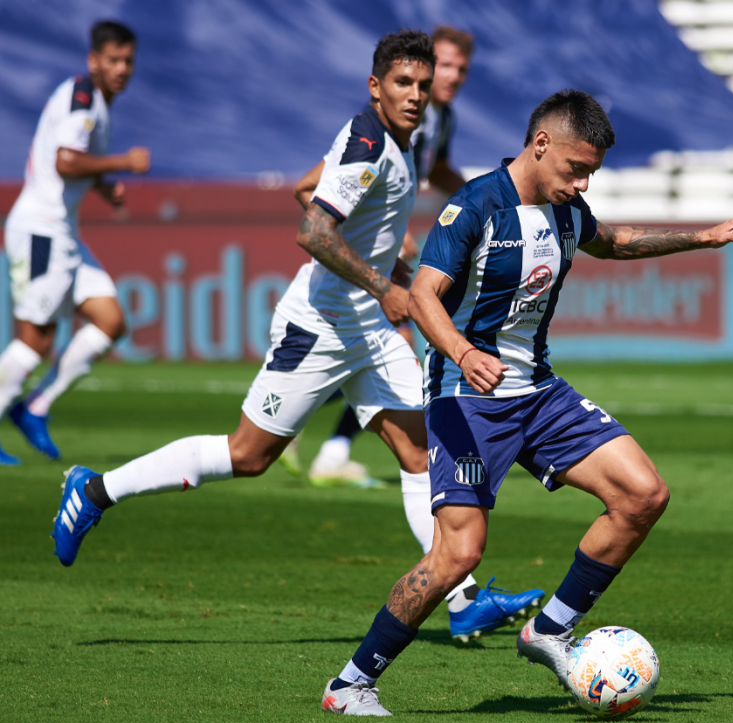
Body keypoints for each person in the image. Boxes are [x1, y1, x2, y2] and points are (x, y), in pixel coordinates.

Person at [51, 29, 542, 644]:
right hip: (321, 327)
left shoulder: (400, 139)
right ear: (376, 87)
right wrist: (384, 283)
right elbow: (312, 230)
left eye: (422, 83)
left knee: (421, 453)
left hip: (368, 329)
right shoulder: (368, 143)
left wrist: (386, 253)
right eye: (403, 83)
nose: (416, 94)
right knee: (248, 456)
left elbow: (306, 187)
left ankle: (463, 599)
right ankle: (95, 490)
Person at [319, 89, 733, 716]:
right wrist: (462, 352)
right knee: (458, 554)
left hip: (538, 392)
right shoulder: (475, 206)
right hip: (467, 396)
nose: (583, 183)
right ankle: (350, 685)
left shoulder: (566, 209)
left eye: (591, 172)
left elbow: (612, 240)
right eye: (576, 168)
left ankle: (550, 629)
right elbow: (423, 295)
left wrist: (703, 236)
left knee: (643, 495)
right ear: (541, 144)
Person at [284, 26, 475, 489]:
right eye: (445, 66)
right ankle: (312, 433)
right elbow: (308, 188)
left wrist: (483, 198)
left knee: (390, 368)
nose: (451, 77)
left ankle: (326, 445)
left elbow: (438, 170)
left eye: (460, 69)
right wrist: (387, 234)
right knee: (399, 362)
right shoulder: (387, 127)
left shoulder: (440, 120)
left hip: (375, 279)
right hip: (355, 282)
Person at [0, 20, 149, 464]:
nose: (122, 69)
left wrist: (103, 186)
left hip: (62, 233)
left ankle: (35, 407)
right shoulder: (82, 97)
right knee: (36, 341)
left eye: (128, 61)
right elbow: (65, 161)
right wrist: (124, 162)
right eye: (113, 60)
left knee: (110, 320)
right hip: (41, 231)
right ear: (93, 60)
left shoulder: (96, 102)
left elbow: (72, 160)